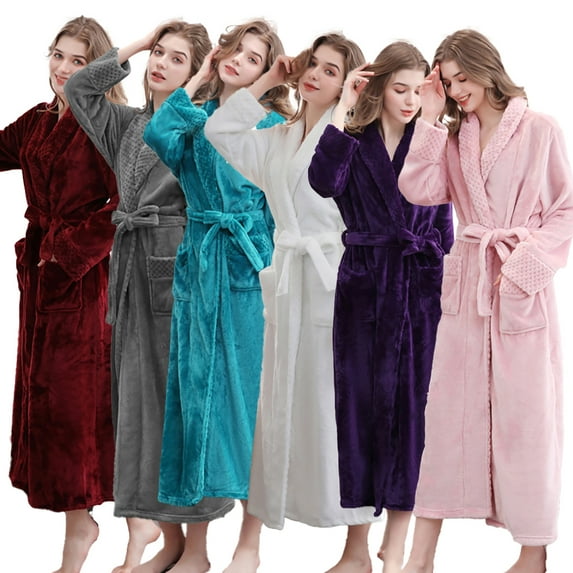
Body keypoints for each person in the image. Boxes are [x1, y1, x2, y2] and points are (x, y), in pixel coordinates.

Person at [396, 29, 573, 573]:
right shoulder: (454, 139)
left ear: (486, 67)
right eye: (447, 83)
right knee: (448, 419)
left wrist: (522, 268)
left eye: (461, 77)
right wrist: (429, 118)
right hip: (468, 291)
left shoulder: (540, 129)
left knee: (526, 420)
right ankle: (420, 556)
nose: (456, 90)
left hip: (517, 289)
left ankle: (533, 553)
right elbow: (418, 190)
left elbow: (566, 210)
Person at [64, 20, 235, 573]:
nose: (160, 63)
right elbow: (80, 89)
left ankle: (199, 550)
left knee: (185, 402)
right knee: (140, 406)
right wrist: (136, 45)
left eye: (177, 58)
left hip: (179, 266)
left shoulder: (203, 125)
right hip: (133, 268)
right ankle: (171, 541)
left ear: (199, 72)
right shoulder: (128, 124)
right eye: (159, 53)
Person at [204, 31, 378, 568]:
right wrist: (268, 80)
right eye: (312, 64)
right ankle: (251, 541)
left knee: (341, 411)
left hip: (335, 283)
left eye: (331, 70)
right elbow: (218, 130)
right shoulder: (277, 139)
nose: (315, 75)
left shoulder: (355, 141)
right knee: (276, 406)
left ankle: (358, 549)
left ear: (348, 85)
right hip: (287, 281)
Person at [142, 19, 291, 573]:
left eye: (254, 59)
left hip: (249, 273)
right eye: (235, 51)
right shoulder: (195, 118)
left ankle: (249, 546)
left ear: (266, 74)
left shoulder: (272, 126)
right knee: (193, 404)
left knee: (248, 406)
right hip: (198, 270)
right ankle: (197, 550)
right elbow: (157, 136)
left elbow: (279, 208)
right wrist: (200, 74)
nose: (239, 61)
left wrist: (269, 270)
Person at [307, 42, 453, 573]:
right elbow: (322, 183)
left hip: (418, 289)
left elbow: (444, 226)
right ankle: (356, 549)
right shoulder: (353, 137)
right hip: (364, 287)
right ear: (378, 87)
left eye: (418, 90)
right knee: (359, 413)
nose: (410, 100)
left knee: (415, 414)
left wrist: (436, 274)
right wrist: (344, 108)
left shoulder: (433, 139)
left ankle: (398, 544)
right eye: (400, 89)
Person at [0, 15, 124, 573]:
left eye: (80, 61)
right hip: (40, 282)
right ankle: (95, 524)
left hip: (82, 282)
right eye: (59, 55)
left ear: (99, 70)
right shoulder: (37, 121)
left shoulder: (108, 125)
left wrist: (68, 255)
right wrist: (43, 260)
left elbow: (128, 203)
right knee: (44, 397)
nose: (64, 69)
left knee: (75, 403)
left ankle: (82, 530)